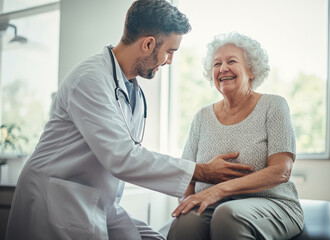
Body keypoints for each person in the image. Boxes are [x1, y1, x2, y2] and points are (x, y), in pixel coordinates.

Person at [5, 2, 254, 240]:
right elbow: (122, 157)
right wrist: (201, 171)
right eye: (169, 51)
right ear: (148, 44)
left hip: (97, 200)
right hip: (55, 200)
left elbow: (130, 152)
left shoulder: (130, 88)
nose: (169, 61)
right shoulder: (90, 80)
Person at [167, 32, 304, 240]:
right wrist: (188, 201)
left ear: (251, 70)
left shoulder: (273, 106)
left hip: (273, 204)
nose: (223, 69)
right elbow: (188, 174)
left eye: (231, 61)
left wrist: (219, 190)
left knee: (228, 215)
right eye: (216, 64)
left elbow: (281, 171)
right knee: (185, 222)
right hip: (214, 205)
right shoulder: (202, 117)